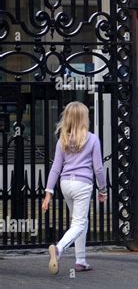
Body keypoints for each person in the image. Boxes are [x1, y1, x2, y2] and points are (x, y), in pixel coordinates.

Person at [42, 101, 107, 274]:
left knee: (79, 221)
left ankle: (81, 260)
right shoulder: (92, 139)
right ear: (84, 118)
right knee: (79, 222)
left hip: (65, 185)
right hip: (82, 184)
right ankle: (59, 249)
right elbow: (98, 168)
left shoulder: (62, 140)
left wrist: (48, 192)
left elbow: (56, 167)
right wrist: (103, 189)